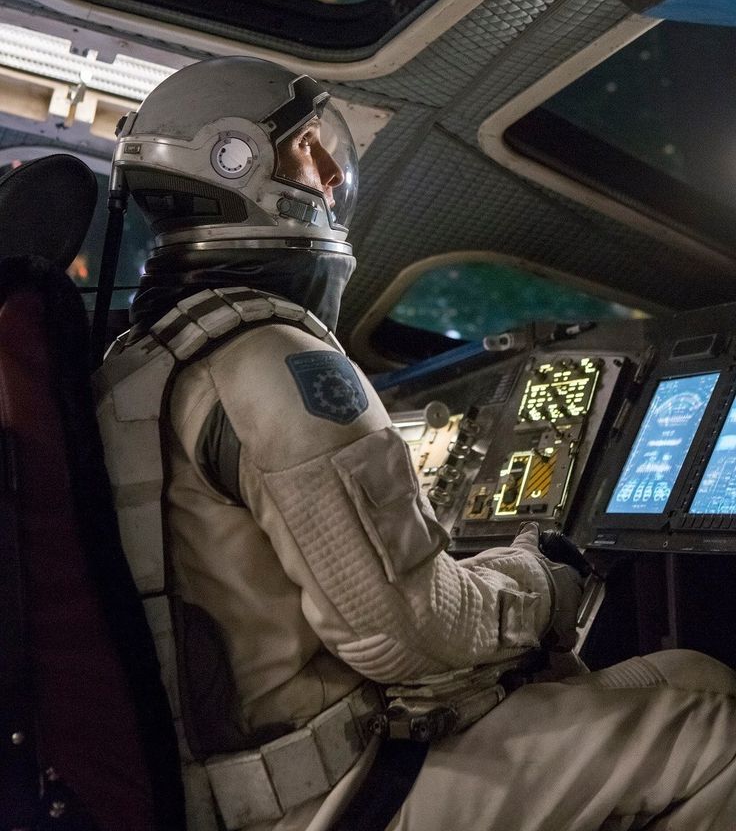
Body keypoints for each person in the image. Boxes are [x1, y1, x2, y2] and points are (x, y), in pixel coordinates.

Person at [97, 56, 736, 831]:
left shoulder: (137, 368)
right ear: (238, 164)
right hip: (329, 795)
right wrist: (545, 581)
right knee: (718, 736)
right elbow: (405, 634)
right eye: (307, 149)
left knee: (694, 670)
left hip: (247, 785)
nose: (332, 173)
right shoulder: (269, 360)